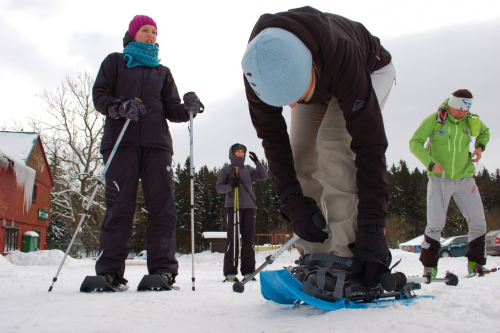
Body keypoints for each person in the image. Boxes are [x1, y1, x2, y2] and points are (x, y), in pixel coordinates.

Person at [241, 6, 397, 300]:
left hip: (369, 71)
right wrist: (292, 201)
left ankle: (348, 256)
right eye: (287, 101)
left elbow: (369, 146)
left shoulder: (342, 53)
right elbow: (274, 139)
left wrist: (373, 229)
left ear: (311, 66)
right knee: (300, 155)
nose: (295, 103)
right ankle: (316, 254)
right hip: (320, 81)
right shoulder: (256, 70)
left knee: (333, 144)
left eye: (297, 94)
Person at [92, 15, 203, 290]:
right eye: (145, 30)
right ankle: (109, 273)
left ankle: (163, 271)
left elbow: (172, 108)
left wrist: (188, 108)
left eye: (154, 31)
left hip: (157, 145)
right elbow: (100, 96)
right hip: (121, 142)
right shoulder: (115, 62)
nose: (151, 35)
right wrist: (121, 106)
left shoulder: (162, 72)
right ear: (133, 33)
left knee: (162, 207)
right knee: (119, 207)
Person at [409, 89, 489, 277]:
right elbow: (415, 142)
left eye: (466, 110)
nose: (463, 113)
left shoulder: (470, 120)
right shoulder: (436, 119)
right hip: (440, 180)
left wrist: (479, 147)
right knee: (435, 224)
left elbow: (484, 132)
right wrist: (430, 162)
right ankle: (429, 266)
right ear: (451, 104)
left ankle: (476, 265)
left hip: (465, 178)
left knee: (478, 222)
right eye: (460, 109)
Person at [216, 144, 268, 282]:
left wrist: (257, 162)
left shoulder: (248, 169)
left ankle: (248, 271)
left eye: (242, 152)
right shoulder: (226, 170)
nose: (240, 154)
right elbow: (219, 188)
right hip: (233, 206)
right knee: (233, 239)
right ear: (232, 153)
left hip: (249, 207)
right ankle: (230, 272)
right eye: (237, 151)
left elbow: (264, 176)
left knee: (248, 240)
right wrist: (231, 186)